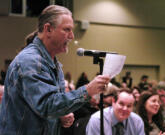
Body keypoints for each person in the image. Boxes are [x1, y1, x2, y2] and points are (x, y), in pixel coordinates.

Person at [0, 5, 110, 135]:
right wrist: (88, 90)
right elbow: (47, 105)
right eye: (67, 29)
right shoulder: (30, 61)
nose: (72, 36)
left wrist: (59, 116)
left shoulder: (52, 63)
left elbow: (41, 108)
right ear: (48, 29)